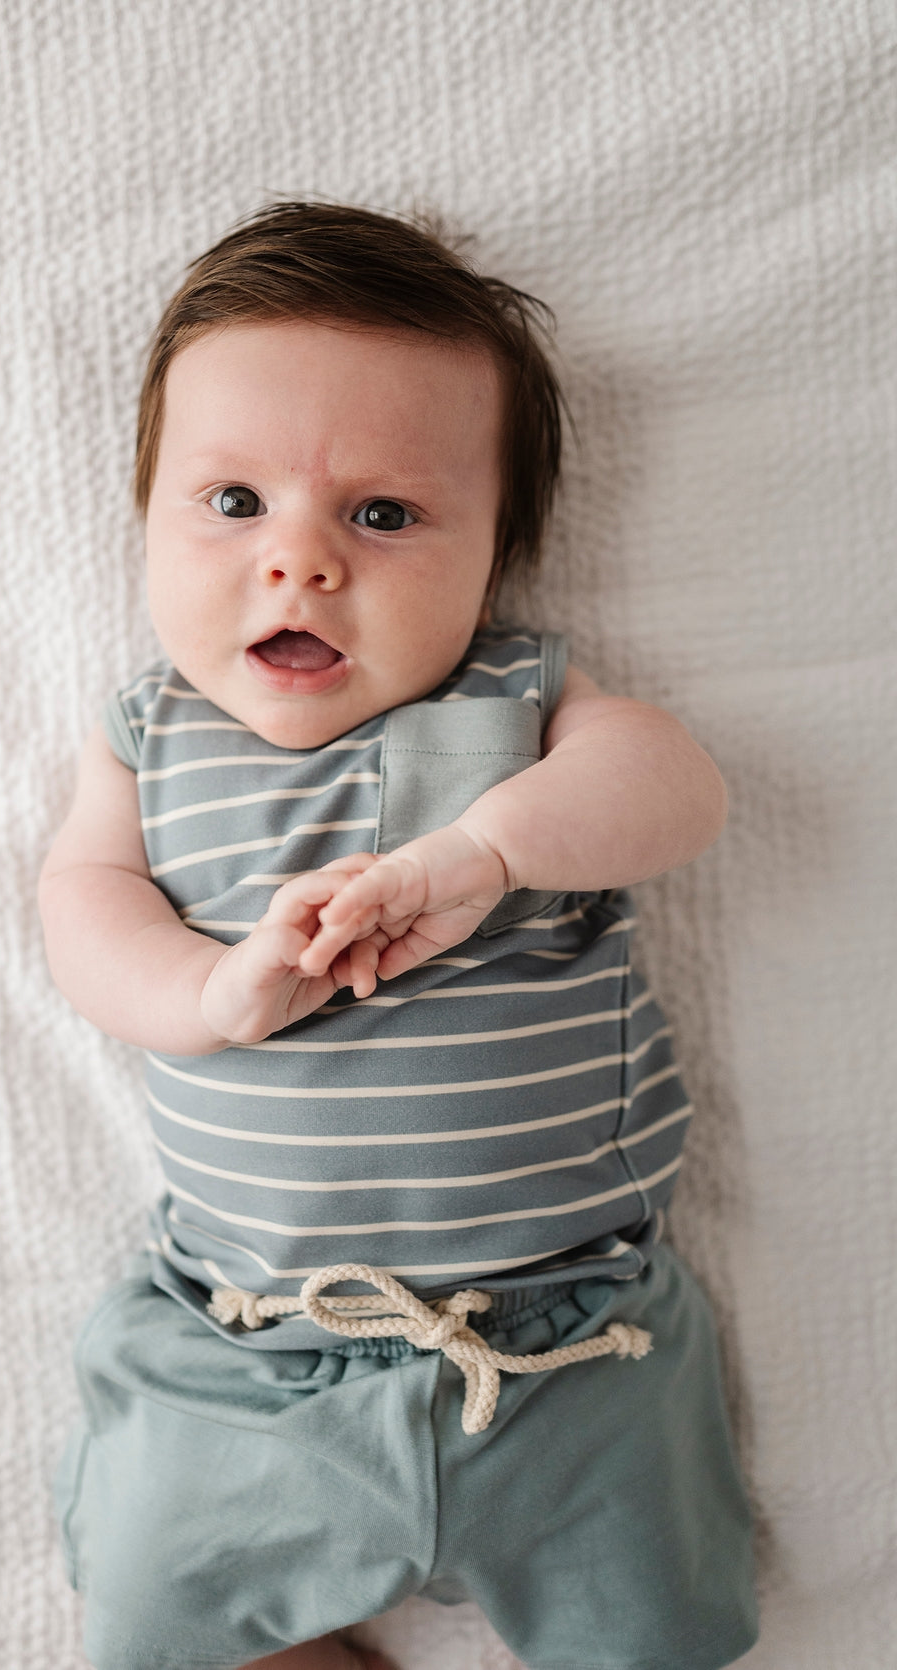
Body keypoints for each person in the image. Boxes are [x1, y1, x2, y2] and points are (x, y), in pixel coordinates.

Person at [40, 202, 758, 1670]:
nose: (299, 561)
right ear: (145, 513)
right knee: (149, 1598)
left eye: (382, 514)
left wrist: (485, 850)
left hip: (568, 1341)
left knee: (662, 1629)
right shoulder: (149, 738)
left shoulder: (516, 705)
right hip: (251, 1349)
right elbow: (82, 910)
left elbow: (679, 789)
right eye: (232, 503)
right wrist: (215, 990)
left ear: (495, 559)